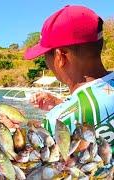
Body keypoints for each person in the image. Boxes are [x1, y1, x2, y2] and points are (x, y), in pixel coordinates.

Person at [16, 5, 113, 147]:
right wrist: (61, 104)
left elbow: (37, 163)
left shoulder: (56, 121)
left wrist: (9, 130)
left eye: (45, 56)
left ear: (60, 56)